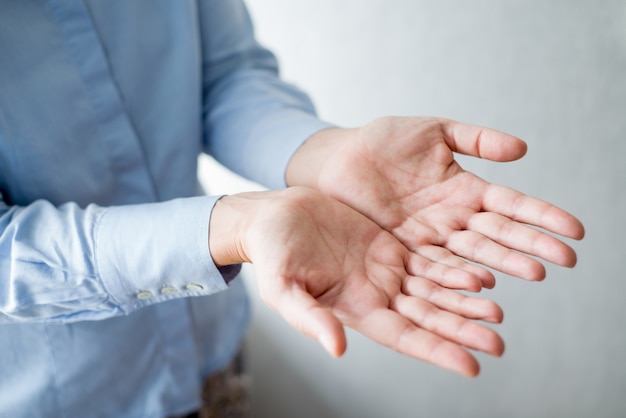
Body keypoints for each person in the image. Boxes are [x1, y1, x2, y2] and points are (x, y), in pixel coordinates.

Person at [0, 1, 584, 417]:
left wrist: (329, 155)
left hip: (214, 360)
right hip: (64, 399)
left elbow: (224, 75)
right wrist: (236, 226)